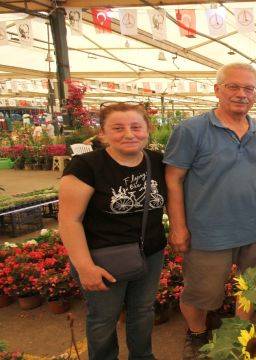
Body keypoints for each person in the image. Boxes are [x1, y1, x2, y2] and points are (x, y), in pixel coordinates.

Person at [163, 63, 256, 358]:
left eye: (249, 88)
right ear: (217, 90)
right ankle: (197, 333)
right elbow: (173, 180)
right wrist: (178, 226)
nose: (242, 94)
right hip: (209, 230)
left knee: (253, 287)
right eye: (233, 87)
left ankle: (243, 335)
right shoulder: (191, 130)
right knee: (202, 293)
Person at [58, 103, 167, 359]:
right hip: (102, 258)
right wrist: (85, 267)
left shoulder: (156, 161)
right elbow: (69, 220)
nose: (129, 134)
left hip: (150, 253)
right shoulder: (86, 166)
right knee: (103, 318)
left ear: (147, 130)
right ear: (103, 134)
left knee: (142, 311)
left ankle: (142, 356)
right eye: (118, 128)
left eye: (136, 127)